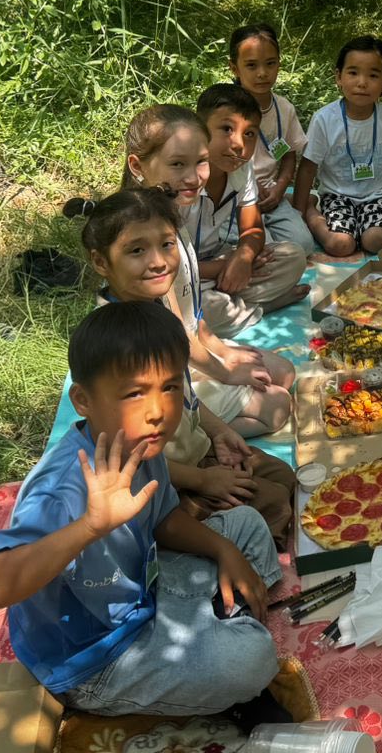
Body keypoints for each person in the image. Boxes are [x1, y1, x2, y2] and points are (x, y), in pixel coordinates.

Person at [0, 302, 290, 730]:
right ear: (83, 400)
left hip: (142, 588)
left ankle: (213, 624)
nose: (158, 410)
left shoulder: (142, 442)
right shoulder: (61, 488)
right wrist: (91, 526)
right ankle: (217, 640)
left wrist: (223, 550)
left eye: (170, 387)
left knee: (247, 525)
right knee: (253, 660)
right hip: (94, 655)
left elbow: (164, 519)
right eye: (134, 393)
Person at [71, 187, 298, 543]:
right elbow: (132, 455)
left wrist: (218, 431)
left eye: (166, 244)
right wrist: (203, 480)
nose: (159, 262)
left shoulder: (157, 305)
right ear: (101, 262)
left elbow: (184, 392)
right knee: (273, 505)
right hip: (163, 481)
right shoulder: (116, 343)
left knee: (285, 477)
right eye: (136, 251)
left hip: (196, 453)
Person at [117, 104, 295, 436]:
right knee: (277, 406)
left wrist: (225, 352)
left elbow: (190, 314)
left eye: (200, 162)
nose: (193, 177)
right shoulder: (146, 238)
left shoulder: (171, 215)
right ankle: (183, 443)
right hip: (164, 372)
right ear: (138, 166)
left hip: (193, 345)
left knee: (284, 373)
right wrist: (226, 372)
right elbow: (173, 335)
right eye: (177, 164)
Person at [294, 34, 382, 255]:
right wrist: (299, 210)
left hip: (377, 196)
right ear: (338, 77)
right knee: (340, 245)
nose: (362, 82)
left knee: (375, 241)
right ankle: (312, 209)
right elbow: (307, 167)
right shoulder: (324, 119)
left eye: (373, 75)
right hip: (336, 195)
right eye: (353, 73)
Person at [189, 82, 311, 327]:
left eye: (250, 134)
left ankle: (232, 307)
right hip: (183, 273)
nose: (239, 144)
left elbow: (254, 230)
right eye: (227, 129)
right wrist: (225, 266)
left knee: (294, 257)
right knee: (200, 308)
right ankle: (260, 308)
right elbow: (167, 263)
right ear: (199, 129)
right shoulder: (183, 178)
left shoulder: (242, 170)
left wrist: (244, 256)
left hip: (219, 261)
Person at [229, 23, 316, 255]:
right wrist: (251, 187)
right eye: (251, 65)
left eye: (270, 63)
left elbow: (289, 154)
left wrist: (280, 187)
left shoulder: (284, 108)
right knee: (258, 247)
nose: (262, 73)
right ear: (234, 68)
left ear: (279, 63)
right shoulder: (225, 110)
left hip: (271, 196)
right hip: (235, 197)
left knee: (304, 245)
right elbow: (218, 158)